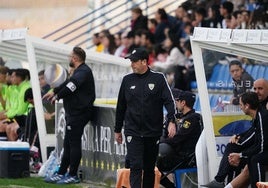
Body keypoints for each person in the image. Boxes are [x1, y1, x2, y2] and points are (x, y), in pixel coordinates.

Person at [114, 48, 176, 188]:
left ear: (144, 62)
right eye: (131, 61)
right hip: (133, 130)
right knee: (135, 165)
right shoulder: (127, 80)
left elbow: (169, 101)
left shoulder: (159, 78)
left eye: (134, 61)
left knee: (149, 168)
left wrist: (172, 120)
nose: (132, 64)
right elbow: (121, 107)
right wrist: (117, 129)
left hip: (152, 131)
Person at [43, 46, 95, 184]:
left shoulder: (83, 71)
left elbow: (72, 86)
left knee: (73, 143)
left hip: (79, 113)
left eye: (69, 56)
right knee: (68, 143)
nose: (68, 59)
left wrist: (58, 95)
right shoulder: (79, 71)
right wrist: (54, 91)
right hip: (73, 113)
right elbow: (67, 83)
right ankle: (62, 172)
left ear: (75, 58)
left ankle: (72, 174)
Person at [202, 91, 268, 188]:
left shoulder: (262, 117)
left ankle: (220, 181)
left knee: (254, 159)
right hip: (262, 150)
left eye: (241, 105)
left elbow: (262, 146)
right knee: (234, 156)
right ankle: (221, 182)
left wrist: (241, 154)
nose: (240, 107)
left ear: (247, 106)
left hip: (264, 151)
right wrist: (239, 138)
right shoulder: (257, 117)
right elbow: (253, 134)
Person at [157, 89, 202, 188]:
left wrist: (159, 142)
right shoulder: (183, 116)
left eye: (177, 101)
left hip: (184, 157)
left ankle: (170, 186)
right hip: (176, 154)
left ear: (183, 103)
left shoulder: (192, 119)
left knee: (151, 163)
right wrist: (171, 121)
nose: (176, 103)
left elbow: (176, 140)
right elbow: (171, 116)